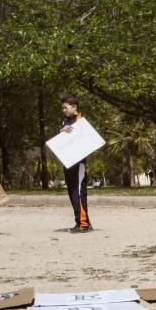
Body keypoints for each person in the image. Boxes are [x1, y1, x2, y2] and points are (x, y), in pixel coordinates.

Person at [59, 95, 92, 233]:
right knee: (72, 193)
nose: (64, 110)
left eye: (66, 107)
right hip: (68, 164)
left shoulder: (81, 122)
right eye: (63, 108)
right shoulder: (64, 122)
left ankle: (84, 224)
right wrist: (60, 131)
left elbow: (87, 141)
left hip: (78, 164)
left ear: (74, 107)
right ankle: (79, 221)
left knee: (78, 193)